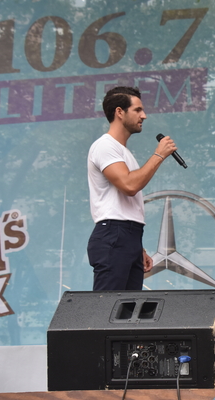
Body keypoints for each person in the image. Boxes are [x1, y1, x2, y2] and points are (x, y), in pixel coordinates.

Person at [87, 86, 178, 290]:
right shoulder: (105, 146)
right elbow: (129, 185)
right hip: (113, 232)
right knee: (107, 312)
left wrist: (137, 248)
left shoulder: (122, 152)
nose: (143, 116)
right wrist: (159, 155)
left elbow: (126, 204)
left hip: (129, 235)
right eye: (137, 110)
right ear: (120, 112)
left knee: (126, 314)